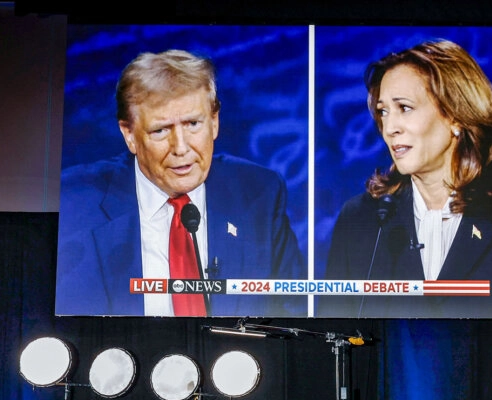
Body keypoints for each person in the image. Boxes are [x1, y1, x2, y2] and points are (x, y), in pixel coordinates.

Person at [320, 39, 492, 319]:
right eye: (383, 112)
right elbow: (336, 330)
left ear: (455, 117)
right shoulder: (360, 220)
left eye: (405, 108)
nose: (389, 128)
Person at [57, 49, 306, 317]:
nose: (181, 148)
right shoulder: (76, 204)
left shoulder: (260, 194)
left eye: (192, 124)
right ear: (129, 134)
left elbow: (292, 313)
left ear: (214, 122)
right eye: (161, 130)